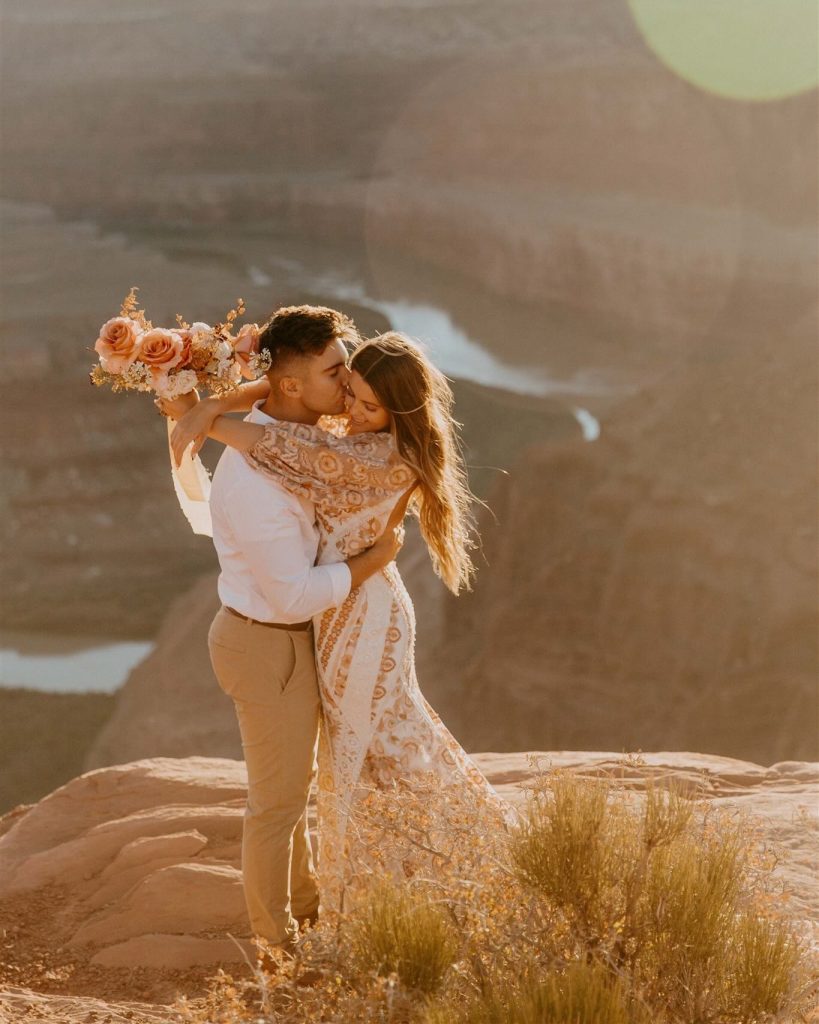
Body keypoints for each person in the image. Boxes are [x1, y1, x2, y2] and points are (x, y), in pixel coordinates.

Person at [164, 330, 515, 915]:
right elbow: (276, 403)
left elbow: (274, 447)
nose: (350, 411)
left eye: (369, 405)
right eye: (349, 391)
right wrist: (208, 403)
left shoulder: (375, 456)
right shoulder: (361, 431)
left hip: (363, 616)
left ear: (400, 410)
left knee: (365, 753)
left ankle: (442, 875)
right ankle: (398, 883)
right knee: (374, 748)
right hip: (345, 608)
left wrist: (197, 414)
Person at [161, 305, 410, 956]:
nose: (349, 383)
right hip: (266, 641)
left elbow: (289, 414)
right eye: (336, 372)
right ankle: (277, 946)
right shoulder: (255, 483)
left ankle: (311, 912)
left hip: (288, 639)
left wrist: (214, 407)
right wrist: (371, 563)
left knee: (298, 792)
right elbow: (294, 594)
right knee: (276, 805)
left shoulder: (300, 430)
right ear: (294, 387)